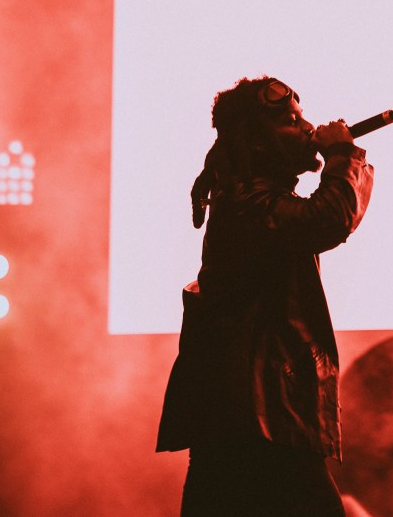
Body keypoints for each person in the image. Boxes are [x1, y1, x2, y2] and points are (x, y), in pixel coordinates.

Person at [156, 76, 374, 516]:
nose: (307, 127)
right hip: (257, 420)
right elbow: (330, 217)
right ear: (255, 140)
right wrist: (342, 154)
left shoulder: (249, 196)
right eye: (290, 121)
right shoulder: (247, 201)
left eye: (301, 117)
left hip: (248, 420)